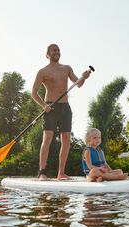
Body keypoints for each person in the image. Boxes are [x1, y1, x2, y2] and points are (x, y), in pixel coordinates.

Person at [32, 44, 92, 181]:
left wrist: (83, 77)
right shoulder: (43, 72)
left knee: (66, 139)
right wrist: (43, 106)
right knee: (47, 138)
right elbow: (33, 93)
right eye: (54, 50)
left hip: (65, 107)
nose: (57, 52)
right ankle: (42, 172)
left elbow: (78, 84)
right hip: (50, 107)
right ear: (47, 54)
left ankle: (61, 173)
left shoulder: (67, 68)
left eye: (58, 50)